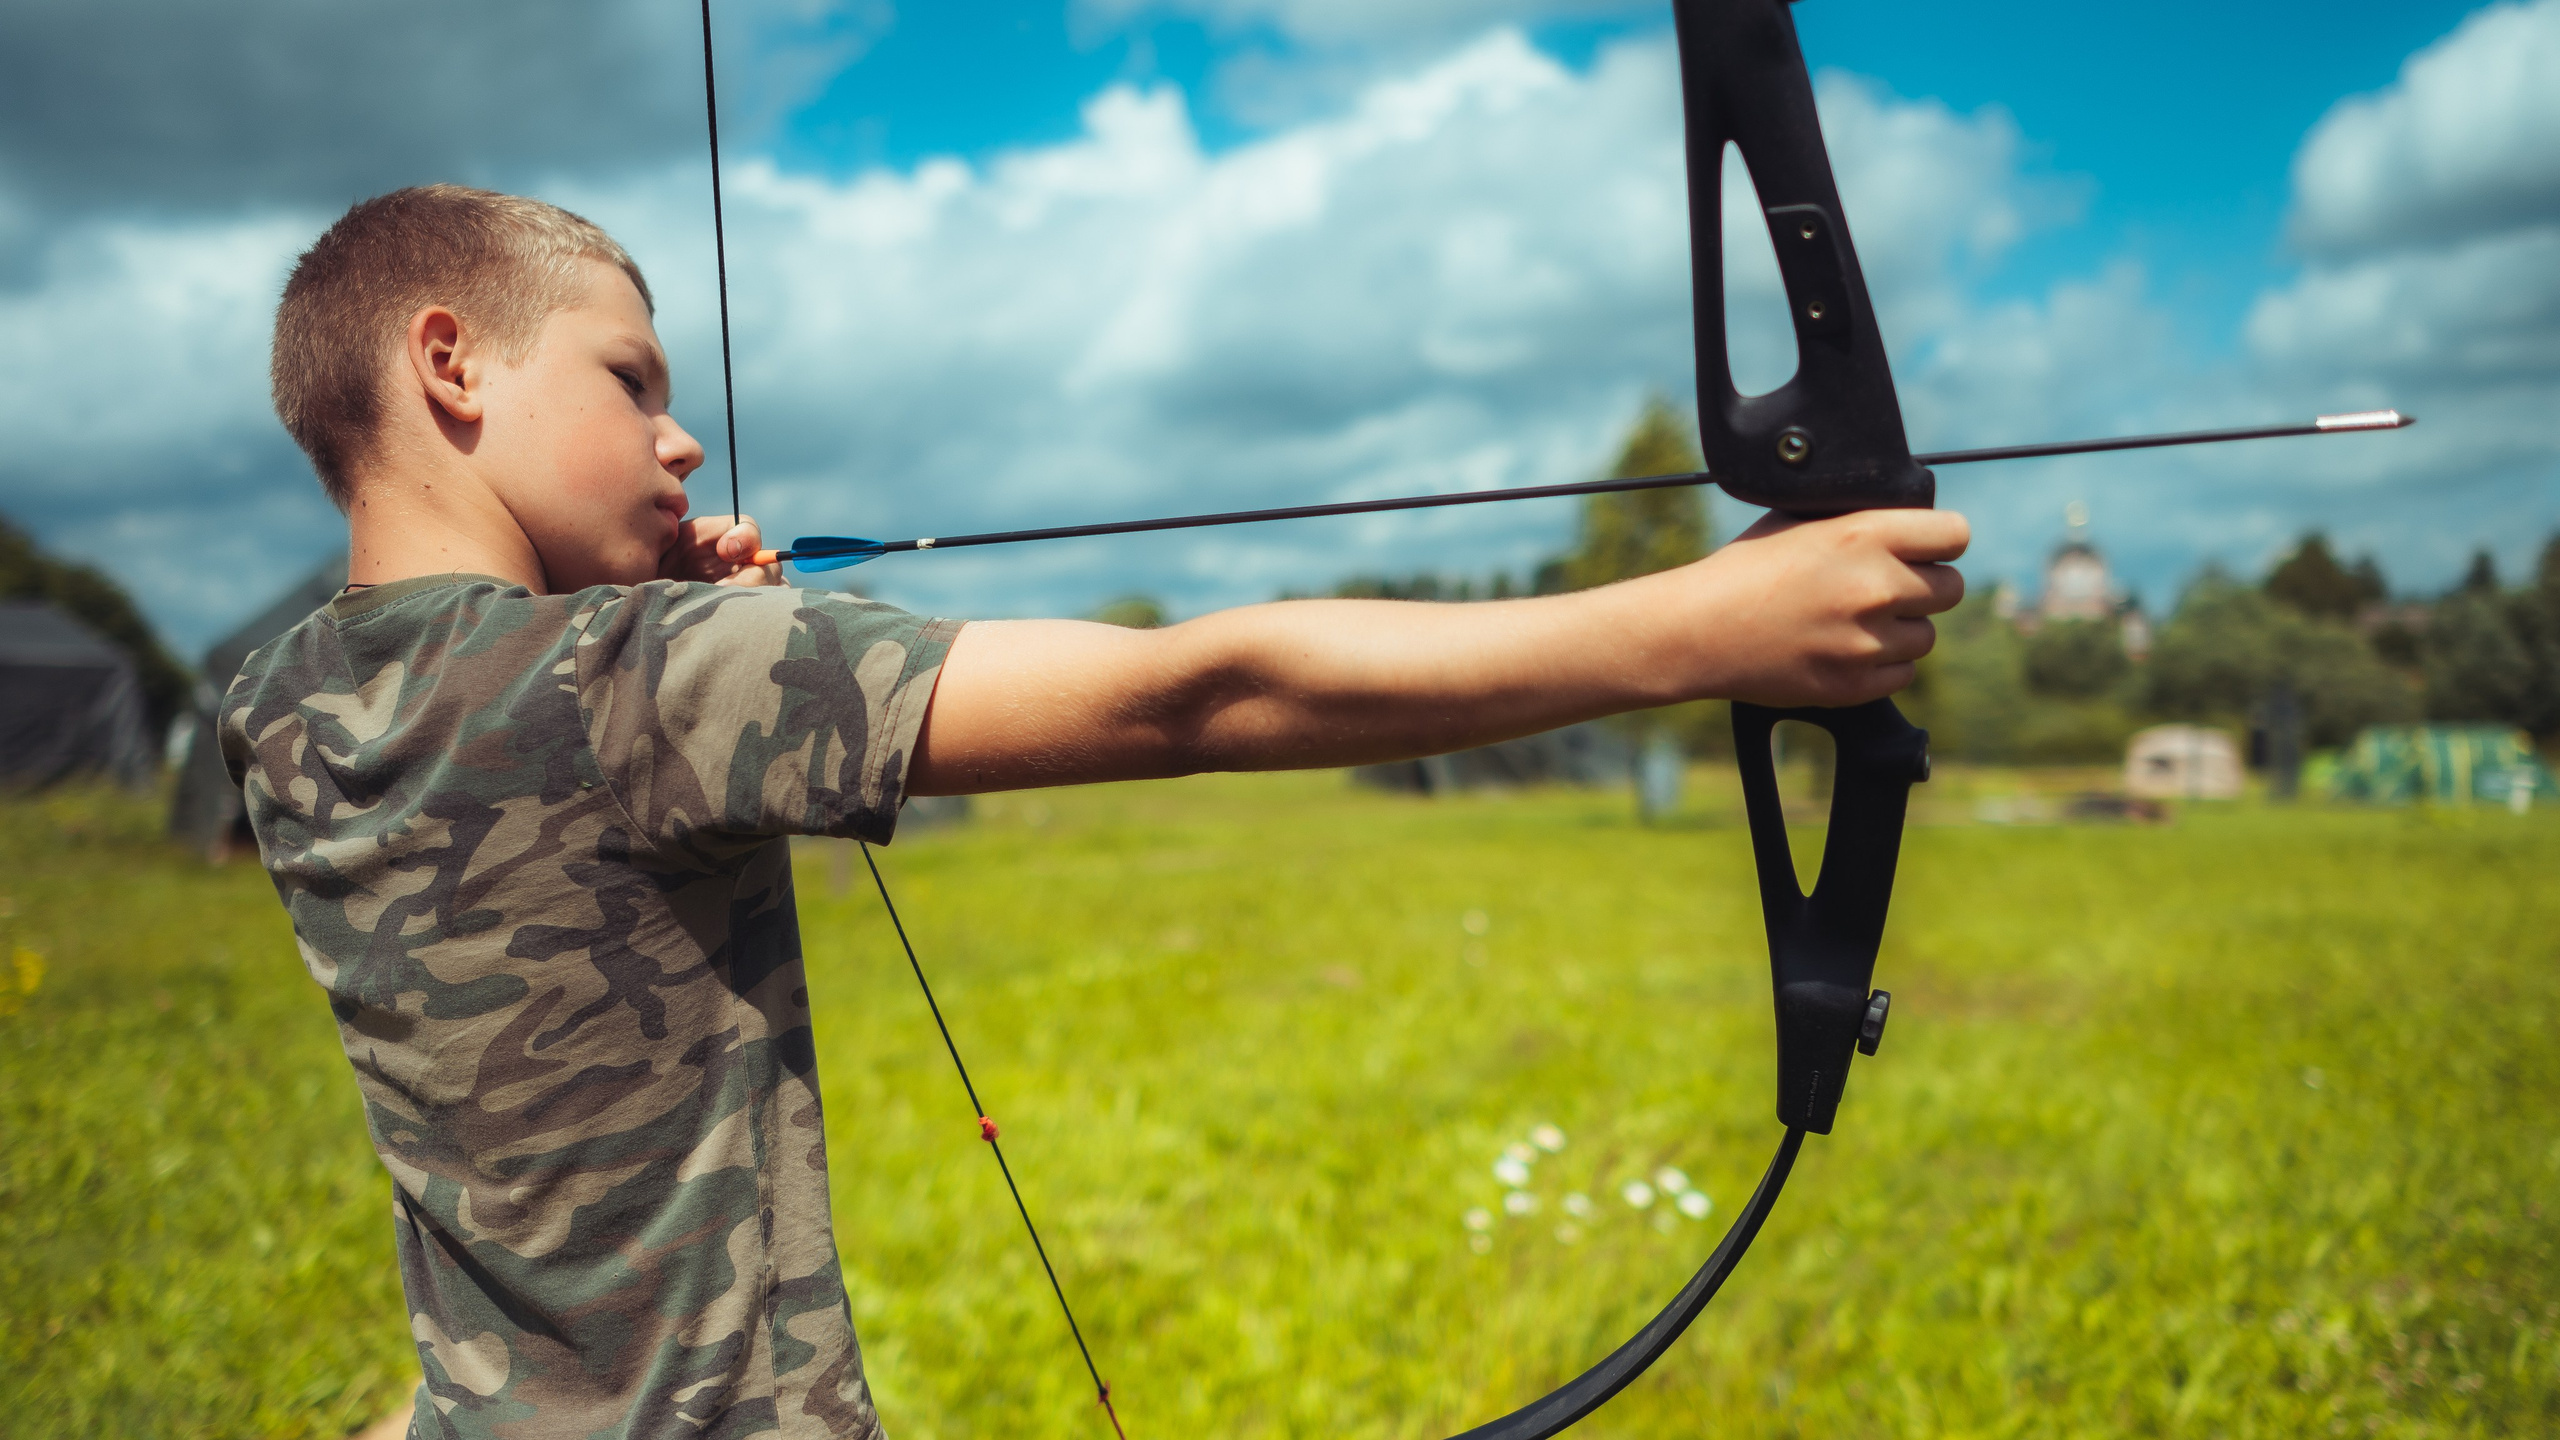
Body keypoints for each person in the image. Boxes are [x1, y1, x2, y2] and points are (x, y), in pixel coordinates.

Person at [228, 184, 1966, 1439]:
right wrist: (1704, 629)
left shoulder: (282, 708)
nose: (679, 443)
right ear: (450, 362)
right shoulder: (639, 680)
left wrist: (677, 618)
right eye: (632, 382)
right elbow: (1201, 692)